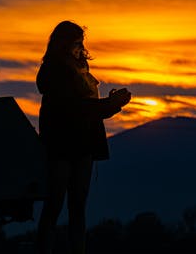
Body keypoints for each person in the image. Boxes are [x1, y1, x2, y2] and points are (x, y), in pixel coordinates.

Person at [36, 20, 131, 254]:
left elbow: (83, 107)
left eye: (81, 42)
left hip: (81, 142)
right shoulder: (55, 71)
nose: (81, 46)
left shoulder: (75, 68)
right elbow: (76, 108)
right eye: (77, 42)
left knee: (74, 207)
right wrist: (111, 104)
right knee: (57, 205)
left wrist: (109, 104)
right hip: (63, 143)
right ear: (65, 43)